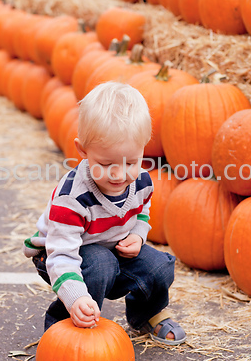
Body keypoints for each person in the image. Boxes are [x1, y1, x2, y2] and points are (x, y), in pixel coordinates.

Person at [23, 81, 186, 345]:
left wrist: (138, 234)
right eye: (106, 163)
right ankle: (66, 328)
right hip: (59, 255)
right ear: (83, 151)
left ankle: (146, 315)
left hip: (110, 249)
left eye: (130, 162)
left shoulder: (141, 180)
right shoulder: (73, 198)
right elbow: (61, 255)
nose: (119, 174)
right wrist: (77, 296)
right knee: (100, 264)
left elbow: (141, 211)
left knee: (158, 265)